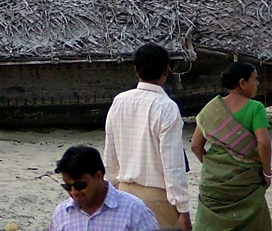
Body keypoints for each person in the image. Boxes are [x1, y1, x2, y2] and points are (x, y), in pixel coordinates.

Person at [103, 43, 191, 231]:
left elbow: (110, 155)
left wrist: (111, 191)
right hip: (157, 198)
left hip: (124, 192)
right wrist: (183, 209)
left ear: (136, 70)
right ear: (166, 71)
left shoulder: (119, 101)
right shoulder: (167, 107)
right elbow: (173, 165)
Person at [191, 61, 272, 231]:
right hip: (246, 182)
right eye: (254, 80)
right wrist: (266, 171)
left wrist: (214, 166)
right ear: (242, 83)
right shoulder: (256, 108)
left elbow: (195, 145)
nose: (257, 84)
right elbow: (263, 142)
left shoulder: (212, 108)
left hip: (214, 184)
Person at [47, 145, 159, 231]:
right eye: (67, 186)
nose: (74, 192)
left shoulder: (134, 211)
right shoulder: (61, 213)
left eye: (80, 185)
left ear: (98, 177)